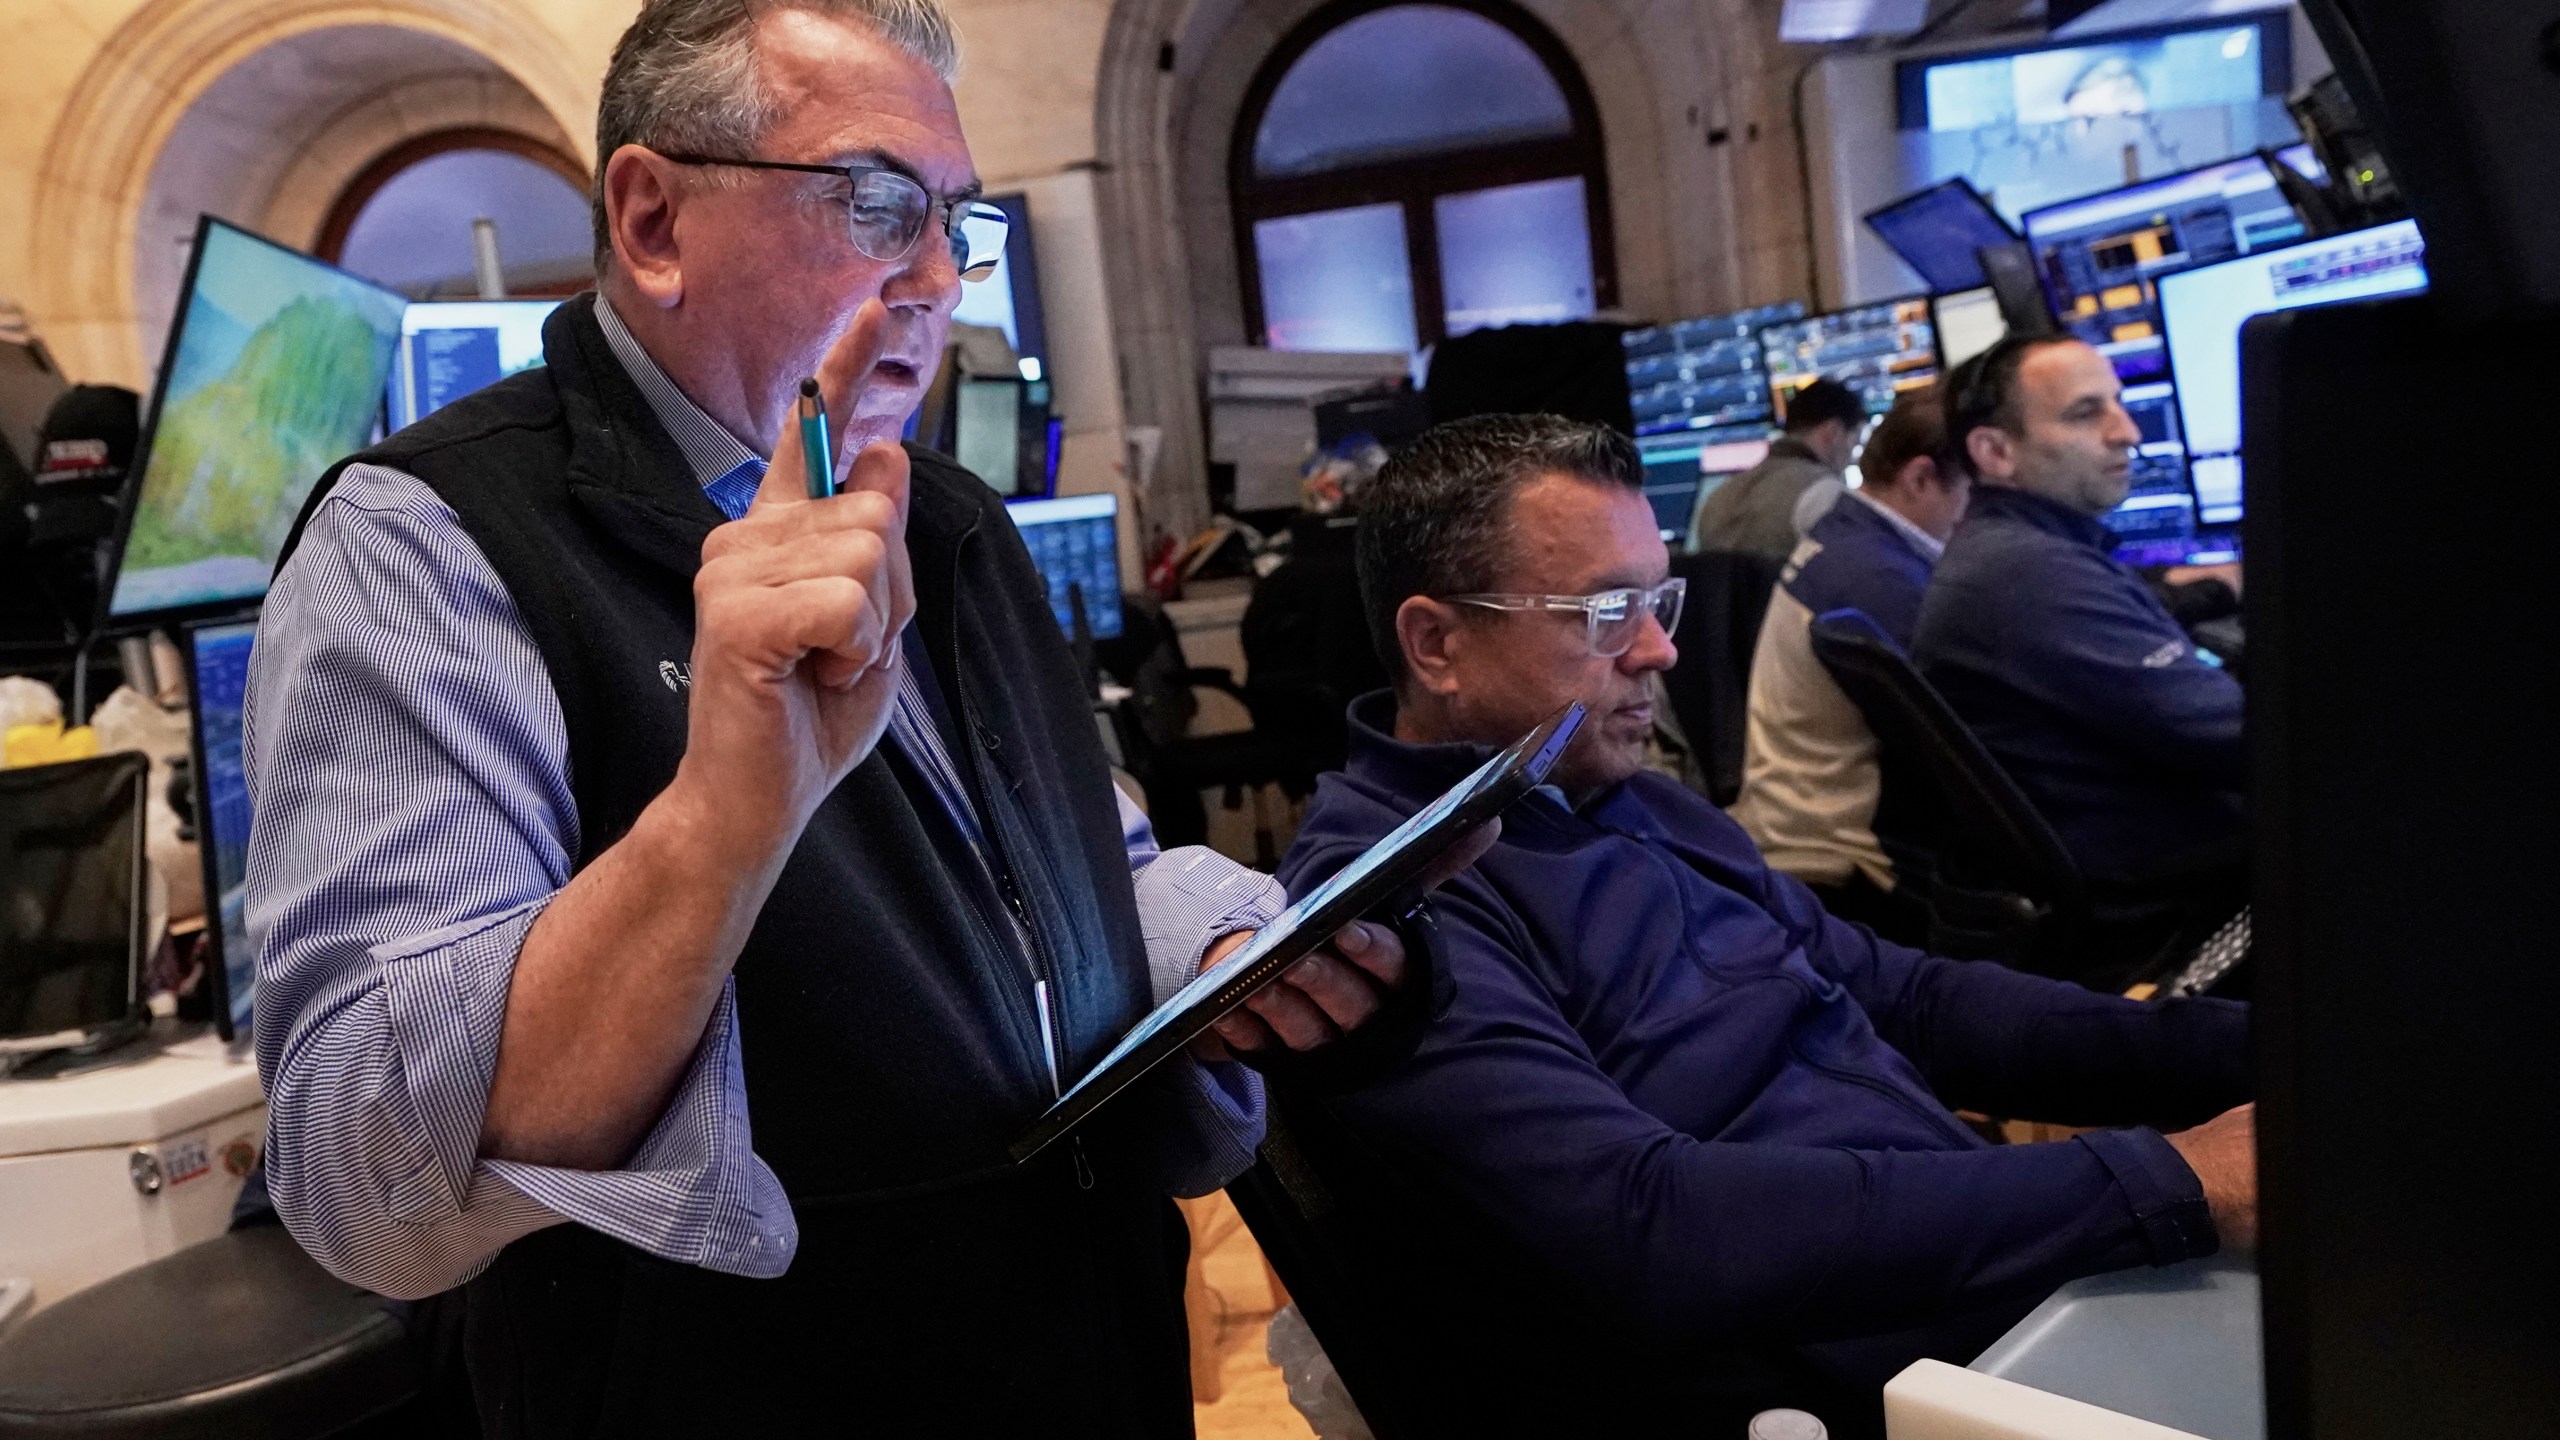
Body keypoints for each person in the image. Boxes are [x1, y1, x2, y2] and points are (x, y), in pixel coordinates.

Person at [244, 3, 1436, 1433]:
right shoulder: (432, 542)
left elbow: (1082, 876)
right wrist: (721, 818)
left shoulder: (954, 523)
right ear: (652, 219)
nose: (939, 279)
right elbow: (362, 1170)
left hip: (1081, 1350)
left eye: (956, 222)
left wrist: (1235, 946)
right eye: (877, 203)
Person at [1274, 414, 2255, 1437]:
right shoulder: (1385, 910)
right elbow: (1651, 1229)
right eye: (1606, 611)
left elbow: (1907, 999)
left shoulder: (1616, 793)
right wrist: (2170, 1180)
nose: (1659, 648)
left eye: (1657, 598)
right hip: (1827, 1383)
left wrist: (2253, 1057)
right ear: (1436, 642)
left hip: (1949, 1297)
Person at [1910, 336, 2247, 966]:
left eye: (2117, 404)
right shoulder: (2029, 577)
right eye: (2085, 413)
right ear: (1995, 451)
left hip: (2141, 881)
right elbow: (2244, 738)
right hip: (2184, 906)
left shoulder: (2016, 553)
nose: (2126, 432)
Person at [1731, 388, 1967, 927]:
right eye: (1976, 491)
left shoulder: (1850, 538)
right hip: (1848, 865)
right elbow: (1970, 733)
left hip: (1789, 831)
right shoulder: (1881, 579)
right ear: (1921, 479)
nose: (1978, 514)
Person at [1697, 375, 1866, 560]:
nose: (1850, 459)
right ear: (1832, 433)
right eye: (1854, 443)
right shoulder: (1824, 492)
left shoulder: (1720, 496)